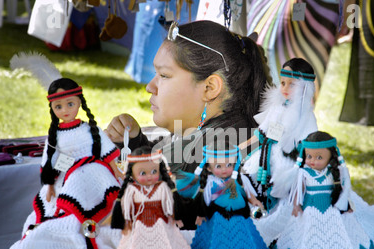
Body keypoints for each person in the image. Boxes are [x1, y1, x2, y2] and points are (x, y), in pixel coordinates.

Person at [105, 20, 272, 229]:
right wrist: (134, 142)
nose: (150, 87)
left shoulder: (217, 158)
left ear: (210, 88)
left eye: (164, 75)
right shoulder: (221, 133)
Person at [7, 78, 123, 249]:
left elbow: (107, 151)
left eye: (70, 104)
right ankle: (63, 247)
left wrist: (117, 171)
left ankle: (94, 247)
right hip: (65, 180)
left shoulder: (89, 130)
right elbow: (51, 163)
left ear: (79, 102)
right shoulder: (55, 137)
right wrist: (50, 184)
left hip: (95, 177)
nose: (65, 110)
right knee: (54, 209)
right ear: (52, 108)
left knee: (100, 207)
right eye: (58, 106)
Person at [175, 142, 270, 249]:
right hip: (217, 220)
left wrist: (254, 201)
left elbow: (249, 194)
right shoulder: (208, 183)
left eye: (229, 165)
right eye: (218, 166)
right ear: (209, 167)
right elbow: (204, 201)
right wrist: (200, 215)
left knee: (242, 243)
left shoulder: (239, 179)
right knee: (218, 245)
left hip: (240, 220)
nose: (225, 170)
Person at [108, 146, 199, 249]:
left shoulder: (162, 187)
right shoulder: (131, 190)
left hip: (163, 227)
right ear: (133, 174)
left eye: (154, 171)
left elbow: (169, 206)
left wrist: (175, 217)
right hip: (138, 229)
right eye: (143, 173)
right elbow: (128, 210)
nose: (150, 176)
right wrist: (127, 222)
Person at [241, 58, 318, 212]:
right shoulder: (277, 108)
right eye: (283, 83)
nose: (285, 88)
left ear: (304, 87)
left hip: (289, 158)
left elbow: (310, 143)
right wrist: (240, 148)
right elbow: (262, 133)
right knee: (251, 174)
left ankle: (279, 212)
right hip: (265, 154)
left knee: (280, 186)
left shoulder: (305, 116)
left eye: (292, 84)